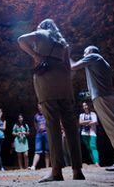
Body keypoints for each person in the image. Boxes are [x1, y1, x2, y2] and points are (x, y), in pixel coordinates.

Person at [18, 19, 85, 182]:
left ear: (42, 26)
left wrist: (36, 55)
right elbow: (69, 69)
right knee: (70, 128)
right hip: (65, 87)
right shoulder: (63, 43)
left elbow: (20, 40)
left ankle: (56, 171)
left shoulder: (41, 33)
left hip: (47, 85)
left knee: (52, 125)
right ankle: (77, 170)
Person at [70, 45, 114, 172]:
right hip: (104, 96)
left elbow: (73, 67)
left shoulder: (94, 57)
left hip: (101, 97)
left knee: (113, 128)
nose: (84, 56)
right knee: (112, 128)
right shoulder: (101, 61)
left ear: (90, 52)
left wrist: (65, 54)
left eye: (84, 53)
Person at [29, 104, 50, 171]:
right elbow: (35, 125)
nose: (39, 107)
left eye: (40, 106)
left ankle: (47, 167)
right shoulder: (36, 116)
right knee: (37, 150)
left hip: (46, 133)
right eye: (38, 106)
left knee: (47, 150)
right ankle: (33, 166)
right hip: (39, 134)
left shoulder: (46, 114)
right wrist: (38, 129)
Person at [79, 101, 100, 166]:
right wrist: (89, 121)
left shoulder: (93, 114)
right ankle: (94, 161)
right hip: (84, 133)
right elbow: (80, 122)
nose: (85, 107)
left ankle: (97, 162)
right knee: (89, 148)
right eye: (84, 106)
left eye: (86, 105)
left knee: (93, 146)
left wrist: (85, 122)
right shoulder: (81, 115)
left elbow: (96, 122)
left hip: (92, 132)